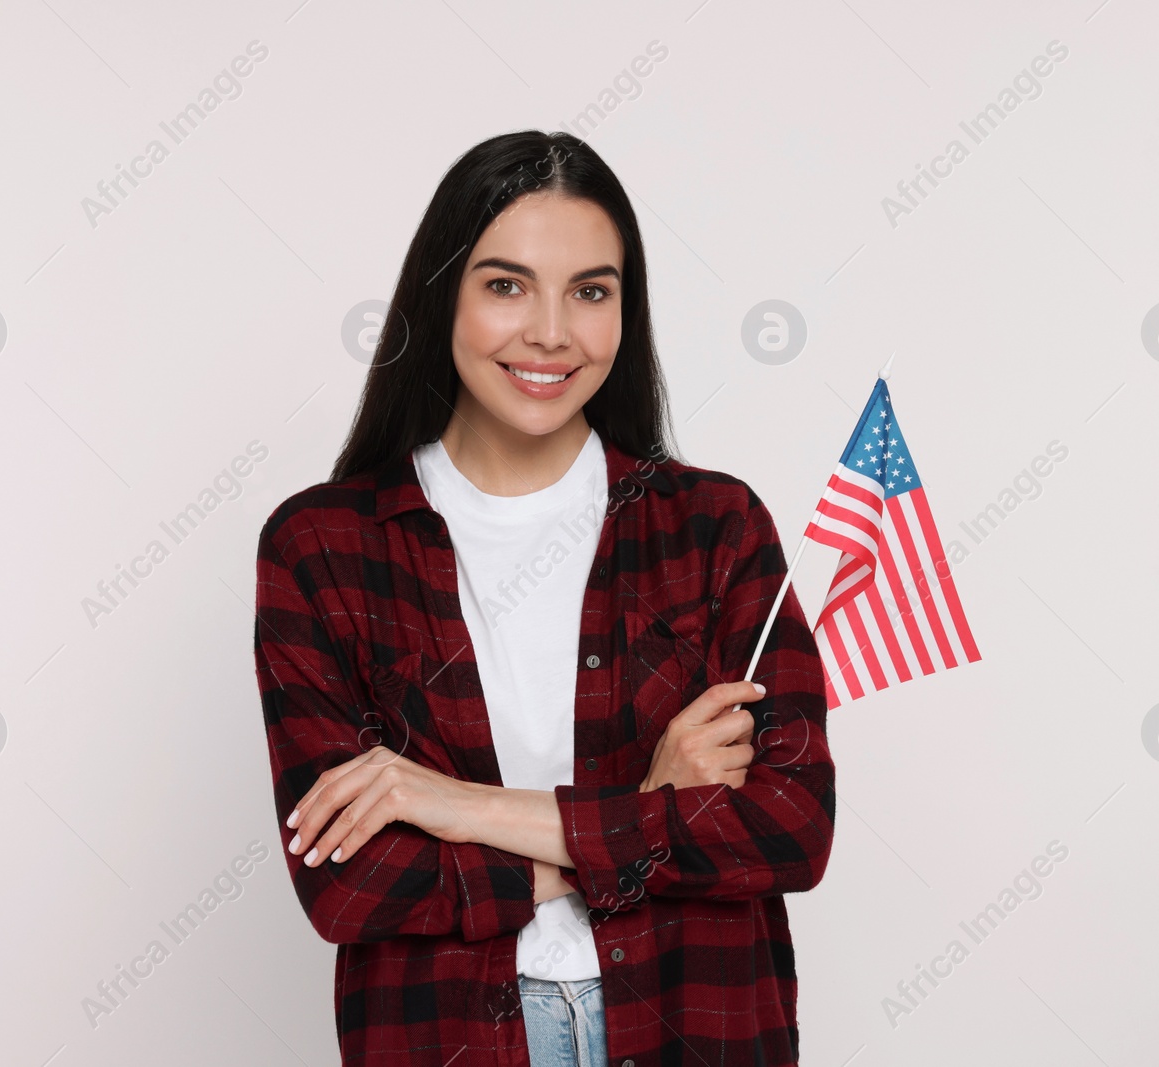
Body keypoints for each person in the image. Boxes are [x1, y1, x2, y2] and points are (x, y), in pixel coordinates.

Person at [253, 129, 835, 1067]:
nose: (553, 332)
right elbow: (350, 886)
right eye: (506, 284)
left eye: (591, 291)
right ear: (443, 294)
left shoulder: (714, 527)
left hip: (697, 1021)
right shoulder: (323, 546)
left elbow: (790, 827)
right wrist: (647, 805)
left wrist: (450, 802)